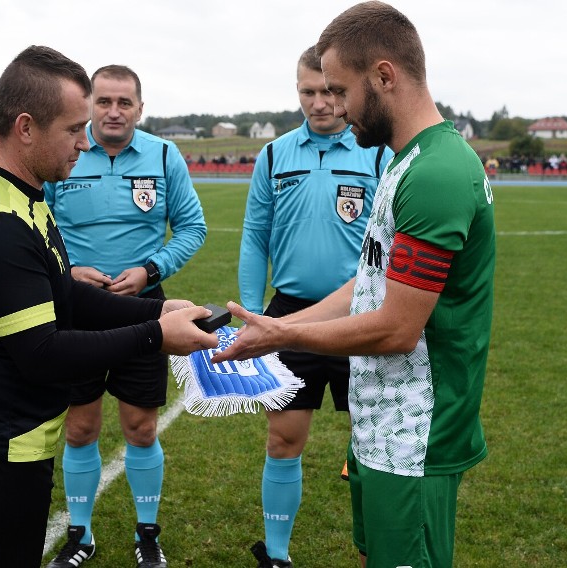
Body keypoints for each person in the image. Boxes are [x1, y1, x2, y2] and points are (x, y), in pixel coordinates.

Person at [213, 3, 495, 567]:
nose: (334, 105)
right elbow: (365, 285)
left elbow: (395, 328)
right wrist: (277, 323)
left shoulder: (436, 173)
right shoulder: (402, 160)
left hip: (416, 435)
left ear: (384, 77)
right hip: (381, 425)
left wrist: (280, 339)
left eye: (341, 90)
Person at [0, 46, 215, 568]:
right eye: (74, 128)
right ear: (26, 127)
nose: (85, 141)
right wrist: (157, 337)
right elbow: (43, 353)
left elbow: (65, 295)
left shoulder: (26, 197)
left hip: (4, 440)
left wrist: (156, 313)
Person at [43, 64, 207, 568]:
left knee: (140, 428)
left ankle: (147, 534)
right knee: (80, 428)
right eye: (104, 102)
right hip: (77, 311)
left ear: (140, 107)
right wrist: (67, 271)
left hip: (145, 311)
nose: (114, 112)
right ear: (90, 104)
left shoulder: (163, 154)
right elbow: (34, 225)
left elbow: (193, 227)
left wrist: (150, 267)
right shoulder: (65, 150)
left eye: (125, 103)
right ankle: (80, 535)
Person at [239, 46, 391, 568]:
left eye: (329, 91)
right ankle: (276, 554)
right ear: (296, 92)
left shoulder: (377, 153)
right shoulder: (275, 155)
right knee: (284, 439)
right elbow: (255, 236)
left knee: (373, 442)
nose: (321, 102)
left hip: (361, 315)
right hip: (288, 316)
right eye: (308, 91)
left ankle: (380, 548)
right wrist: (253, 314)